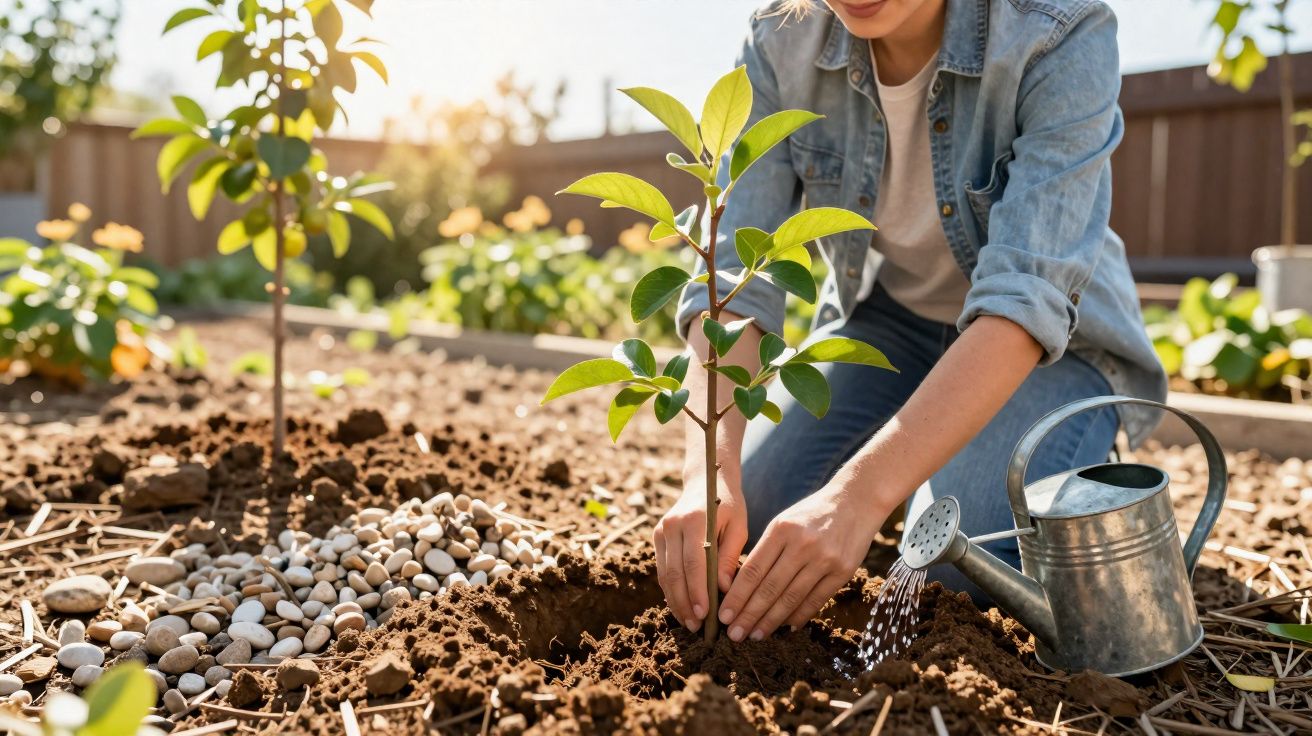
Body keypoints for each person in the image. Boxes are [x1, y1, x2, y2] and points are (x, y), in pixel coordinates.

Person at [654, 0, 1167, 643]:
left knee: (950, 570)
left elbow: (1025, 298)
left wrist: (858, 496)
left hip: (1053, 350)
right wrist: (710, 474)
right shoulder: (781, 38)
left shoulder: (1057, 29)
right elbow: (731, 275)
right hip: (893, 324)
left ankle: (1033, 448)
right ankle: (914, 458)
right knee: (748, 518)